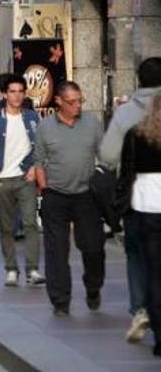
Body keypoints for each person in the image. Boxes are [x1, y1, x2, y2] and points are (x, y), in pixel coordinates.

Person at [98, 57, 161, 343]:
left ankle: (140, 308)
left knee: (136, 253)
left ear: (139, 80)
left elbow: (108, 157)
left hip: (137, 196)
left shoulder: (125, 114)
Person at [33, 81, 105, 316]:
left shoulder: (92, 124)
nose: (77, 106)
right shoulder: (45, 127)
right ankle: (60, 300)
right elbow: (39, 161)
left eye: (80, 101)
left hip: (86, 195)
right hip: (56, 195)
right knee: (56, 250)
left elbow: (104, 156)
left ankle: (93, 287)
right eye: (72, 102)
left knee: (93, 247)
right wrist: (44, 189)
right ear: (59, 102)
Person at [0, 74, 45, 287]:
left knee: (30, 223)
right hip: (3, 180)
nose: (16, 96)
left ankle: (32, 269)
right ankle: (11, 268)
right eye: (12, 92)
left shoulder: (34, 118)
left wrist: (35, 167)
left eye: (20, 91)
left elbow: (42, 147)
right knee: (7, 227)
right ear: (5, 94)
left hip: (26, 179)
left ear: (25, 94)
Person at [119, 93, 161, 357]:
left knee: (153, 270)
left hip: (145, 202)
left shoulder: (136, 134)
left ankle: (159, 334)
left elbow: (126, 169)